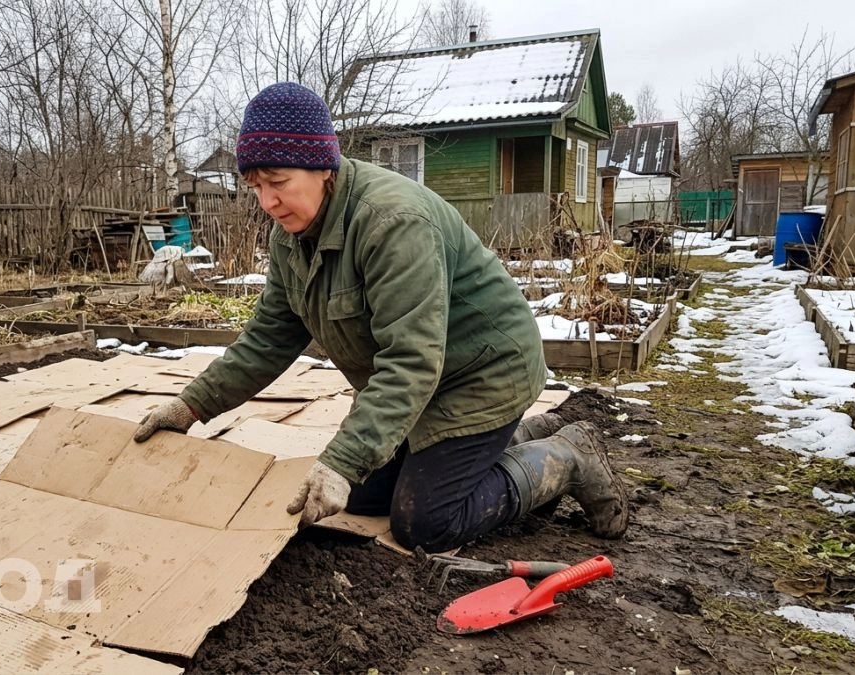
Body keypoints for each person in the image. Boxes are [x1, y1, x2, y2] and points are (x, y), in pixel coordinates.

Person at [134, 82, 628, 552]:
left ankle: (567, 455)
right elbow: (267, 340)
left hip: (483, 373)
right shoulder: (291, 239)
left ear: (323, 167)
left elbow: (411, 359)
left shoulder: (392, 223)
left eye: (278, 182)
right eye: (255, 186)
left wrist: (343, 461)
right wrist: (190, 407)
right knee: (360, 496)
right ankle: (513, 441)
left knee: (425, 522)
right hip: (424, 386)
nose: (267, 202)